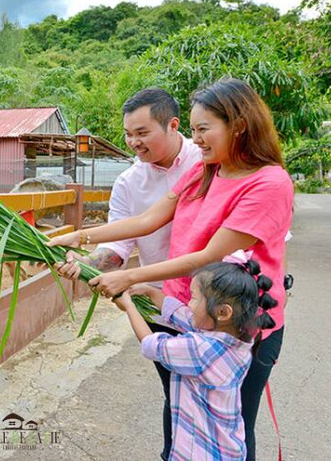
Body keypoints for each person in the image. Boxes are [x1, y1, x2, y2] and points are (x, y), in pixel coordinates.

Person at [49, 78, 293, 460]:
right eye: (194, 131)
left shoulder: (269, 183)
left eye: (203, 129)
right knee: (181, 410)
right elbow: (147, 220)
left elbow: (207, 256)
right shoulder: (204, 170)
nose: (197, 140)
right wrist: (79, 236)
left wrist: (129, 278)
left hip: (236, 326)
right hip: (185, 311)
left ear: (239, 125)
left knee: (231, 427)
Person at [115, 253, 277, 461]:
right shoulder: (234, 339)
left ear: (223, 312)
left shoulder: (201, 349)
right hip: (226, 449)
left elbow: (151, 345)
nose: (189, 304)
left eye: (194, 298)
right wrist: (147, 290)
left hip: (201, 452)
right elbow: (178, 313)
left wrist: (129, 306)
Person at [83, 88, 202, 275]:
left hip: (211, 292)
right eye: (128, 134)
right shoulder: (127, 183)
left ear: (173, 125)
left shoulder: (205, 160)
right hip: (155, 291)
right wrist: (85, 263)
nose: (133, 142)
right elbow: (118, 243)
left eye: (142, 133)